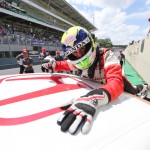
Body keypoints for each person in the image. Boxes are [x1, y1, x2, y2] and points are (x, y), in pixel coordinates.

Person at [42, 26, 149, 135]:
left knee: (135, 92)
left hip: (119, 88)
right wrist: (52, 64)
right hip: (99, 89)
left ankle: (144, 87)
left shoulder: (107, 55)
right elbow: (62, 65)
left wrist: (93, 98)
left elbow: (116, 82)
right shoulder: (76, 63)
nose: (79, 54)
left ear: (90, 42)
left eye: (82, 48)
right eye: (74, 52)